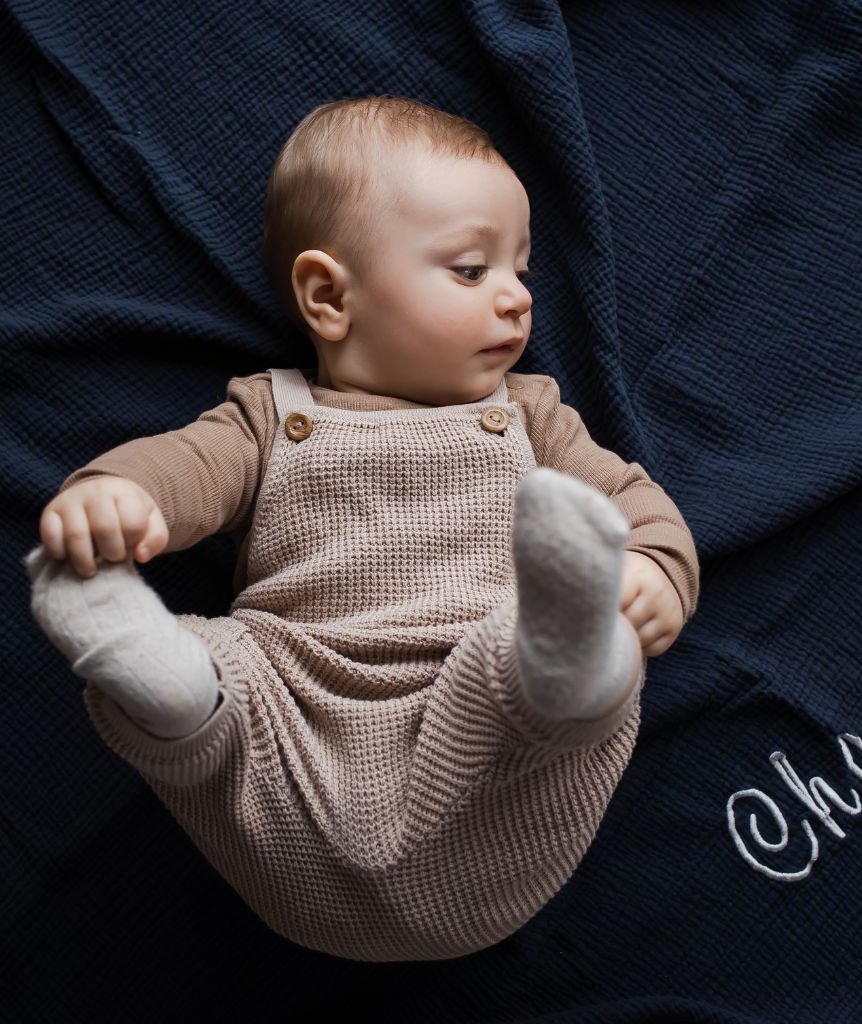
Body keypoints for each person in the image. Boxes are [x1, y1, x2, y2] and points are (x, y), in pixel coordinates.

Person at [23, 95, 700, 962]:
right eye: (470, 269)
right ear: (328, 295)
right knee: (233, 678)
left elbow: (637, 501)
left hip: (494, 754)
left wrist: (652, 568)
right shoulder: (268, 417)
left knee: (530, 666)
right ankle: (164, 680)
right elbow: (180, 471)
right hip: (298, 720)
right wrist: (114, 493)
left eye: (522, 272)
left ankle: (573, 656)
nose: (517, 301)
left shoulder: (533, 418)